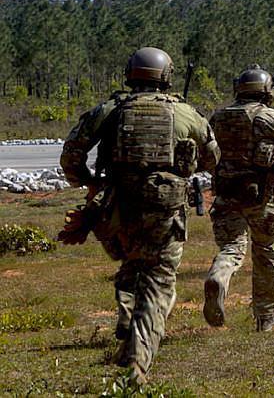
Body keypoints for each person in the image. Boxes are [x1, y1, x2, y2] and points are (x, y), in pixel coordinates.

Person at [59, 47, 220, 383]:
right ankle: (138, 363)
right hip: (165, 210)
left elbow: (72, 155)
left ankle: (127, 328)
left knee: (132, 265)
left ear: (131, 74)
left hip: (119, 209)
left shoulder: (111, 110)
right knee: (159, 282)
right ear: (166, 76)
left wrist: (89, 184)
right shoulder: (186, 112)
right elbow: (211, 159)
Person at [203, 65, 274, 332]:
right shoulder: (270, 117)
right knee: (266, 255)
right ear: (267, 90)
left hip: (226, 197)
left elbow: (205, 157)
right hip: (262, 199)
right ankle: (267, 318)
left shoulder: (218, 117)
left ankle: (219, 275)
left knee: (232, 248)